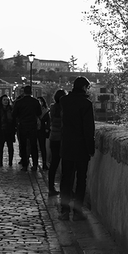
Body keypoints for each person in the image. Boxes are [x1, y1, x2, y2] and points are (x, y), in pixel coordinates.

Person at [59, 76, 95, 219]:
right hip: (81, 147)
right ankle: (77, 212)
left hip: (67, 145)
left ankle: (64, 210)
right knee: (81, 180)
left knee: (66, 179)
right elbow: (88, 129)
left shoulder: (64, 101)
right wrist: (90, 148)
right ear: (84, 87)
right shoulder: (86, 104)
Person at [12, 85, 42, 171]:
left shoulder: (19, 102)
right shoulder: (35, 102)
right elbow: (39, 113)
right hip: (33, 125)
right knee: (34, 146)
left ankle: (25, 165)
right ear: (31, 92)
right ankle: (35, 165)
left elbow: (14, 114)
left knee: (23, 145)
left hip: (22, 125)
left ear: (23, 92)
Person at [47, 89, 66, 196]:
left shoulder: (53, 108)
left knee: (54, 164)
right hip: (62, 138)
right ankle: (65, 189)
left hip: (53, 138)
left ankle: (51, 187)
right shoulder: (64, 109)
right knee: (65, 164)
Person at [0, 94, 16, 167]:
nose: (6, 101)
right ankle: (0, 162)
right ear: (1, 101)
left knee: (10, 147)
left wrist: (14, 128)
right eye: (4, 100)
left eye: (7, 100)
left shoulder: (11, 109)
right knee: (0, 146)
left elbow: (14, 120)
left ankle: (10, 162)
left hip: (10, 130)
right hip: (1, 130)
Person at [37, 96, 50, 170]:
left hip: (42, 131)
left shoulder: (46, 111)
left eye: (40, 101)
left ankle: (44, 163)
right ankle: (35, 163)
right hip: (35, 130)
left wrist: (47, 128)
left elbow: (48, 121)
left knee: (43, 147)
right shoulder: (35, 111)